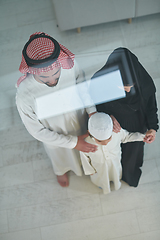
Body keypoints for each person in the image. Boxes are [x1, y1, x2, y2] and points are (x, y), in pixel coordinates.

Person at [16, 32, 97, 187]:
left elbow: (82, 84)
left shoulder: (68, 65)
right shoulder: (24, 95)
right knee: (60, 155)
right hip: (54, 134)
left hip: (80, 119)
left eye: (55, 74)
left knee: (85, 147)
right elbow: (36, 131)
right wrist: (73, 142)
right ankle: (61, 171)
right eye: (44, 78)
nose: (52, 80)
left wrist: (91, 111)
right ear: (33, 71)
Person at [92, 47, 159, 187]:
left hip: (137, 122)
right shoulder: (99, 82)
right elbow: (93, 107)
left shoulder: (144, 82)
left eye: (131, 85)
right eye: (122, 86)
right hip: (111, 127)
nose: (128, 90)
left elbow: (151, 107)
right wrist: (107, 117)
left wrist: (153, 128)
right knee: (110, 155)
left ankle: (128, 175)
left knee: (131, 155)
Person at [80, 112, 145, 194]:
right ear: (90, 133)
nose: (105, 143)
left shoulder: (116, 133)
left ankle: (115, 181)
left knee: (115, 174)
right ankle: (102, 185)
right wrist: (90, 171)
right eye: (99, 141)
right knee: (100, 178)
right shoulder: (86, 143)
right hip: (98, 168)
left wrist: (143, 137)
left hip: (115, 163)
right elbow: (84, 158)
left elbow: (127, 136)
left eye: (109, 138)